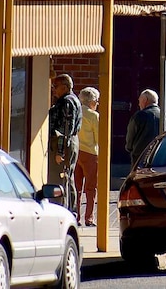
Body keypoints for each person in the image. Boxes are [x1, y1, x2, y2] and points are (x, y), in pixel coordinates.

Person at [49, 74, 83, 214]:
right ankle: (71, 211)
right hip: (70, 142)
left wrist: (60, 152)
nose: (53, 90)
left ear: (64, 87)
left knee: (62, 178)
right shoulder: (71, 100)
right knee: (68, 178)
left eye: (55, 87)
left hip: (64, 143)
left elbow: (65, 129)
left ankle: (65, 211)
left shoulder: (67, 102)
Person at [125, 89, 166, 168]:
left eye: (139, 101)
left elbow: (131, 135)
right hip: (160, 156)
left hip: (140, 156)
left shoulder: (139, 115)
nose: (139, 104)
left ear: (145, 100)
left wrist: (129, 147)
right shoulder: (165, 116)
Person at [75, 87, 100, 227]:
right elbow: (99, 137)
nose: (97, 104)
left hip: (76, 151)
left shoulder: (77, 112)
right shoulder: (93, 116)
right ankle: (89, 218)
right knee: (91, 188)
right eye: (96, 101)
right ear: (92, 101)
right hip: (90, 153)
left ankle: (76, 215)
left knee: (76, 186)